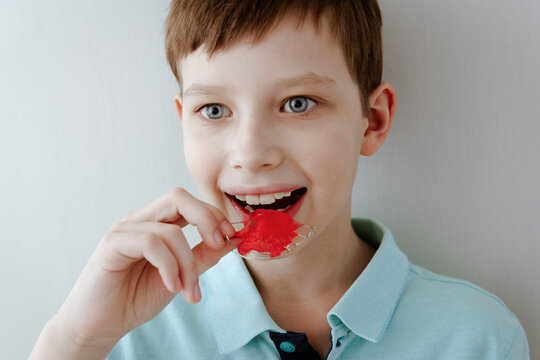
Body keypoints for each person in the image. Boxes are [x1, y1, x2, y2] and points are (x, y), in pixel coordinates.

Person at [30, 0, 530, 359]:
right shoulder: (127, 338)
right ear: (183, 120)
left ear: (372, 120)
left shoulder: (479, 338)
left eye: (298, 103)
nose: (250, 154)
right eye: (214, 109)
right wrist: (75, 341)